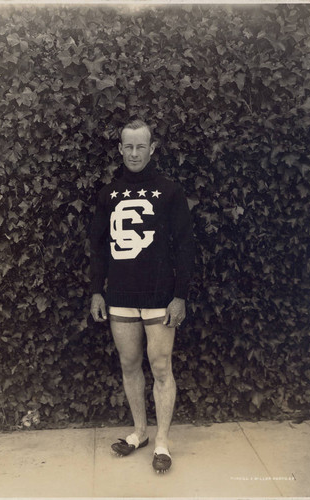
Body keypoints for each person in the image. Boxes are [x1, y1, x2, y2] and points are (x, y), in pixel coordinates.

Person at [89, 119, 195, 473]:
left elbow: (184, 247)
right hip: (119, 294)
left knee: (161, 366)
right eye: (128, 147)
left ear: (152, 149)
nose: (134, 153)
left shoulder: (169, 191)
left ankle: (162, 441)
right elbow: (98, 248)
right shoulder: (108, 194)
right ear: (120, 149)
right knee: (130, 364)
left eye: (141, 146)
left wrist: (180, 295)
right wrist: (96, 291)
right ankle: (139, 432)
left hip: (159, 296)